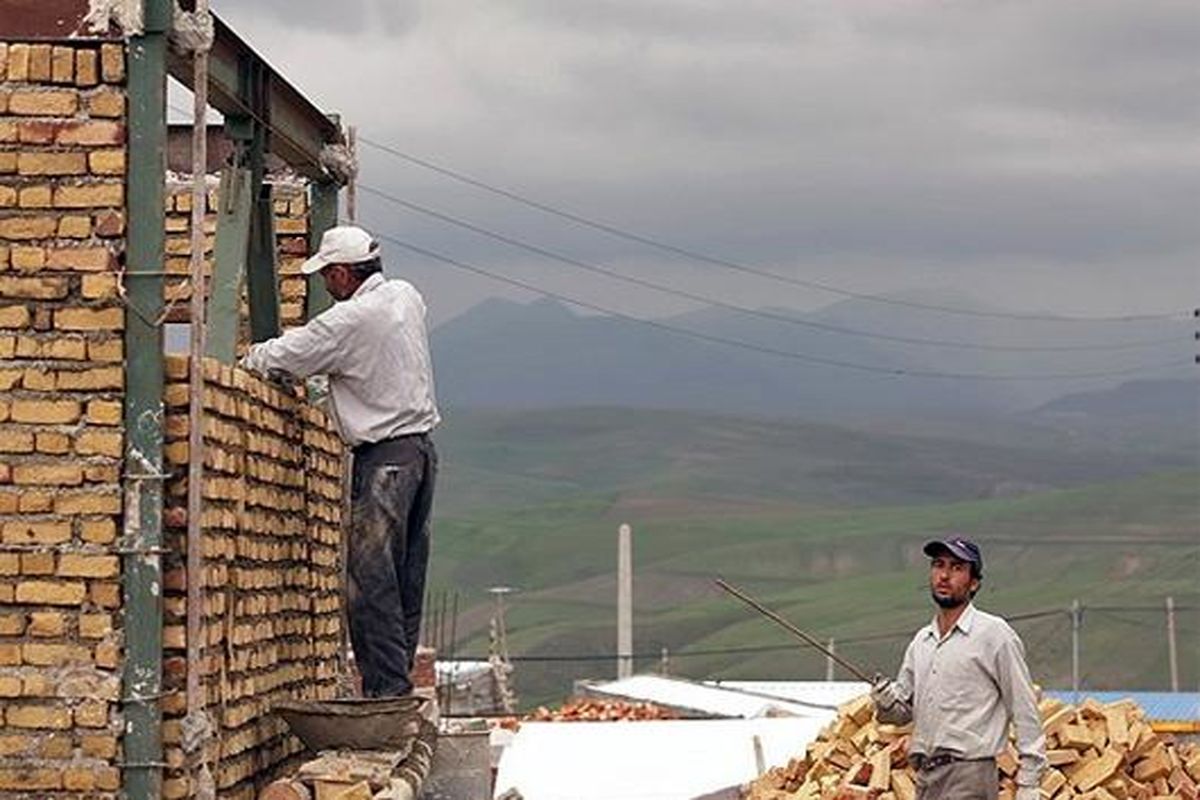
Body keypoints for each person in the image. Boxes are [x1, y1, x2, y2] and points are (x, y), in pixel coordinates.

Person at [242, 224, 440, 697]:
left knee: (370, 583)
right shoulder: (405, 297)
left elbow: (287, 356)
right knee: (404, 577)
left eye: (328, 275)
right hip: (420, 452)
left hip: (384, 460)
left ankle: (385, 693)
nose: (325, 286)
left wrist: (250, 356)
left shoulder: (347, 321)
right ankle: (396, 688)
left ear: (345, 273)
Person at [870, 537, 1045, 800]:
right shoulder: (922, 642)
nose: (944, 575)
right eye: (939, 565)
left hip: (970, 776)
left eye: (957, 567)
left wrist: (1029, 782)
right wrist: (885, 703)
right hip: (926, 778)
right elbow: (902, 713)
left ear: (974, 583)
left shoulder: (994, 634)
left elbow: (1023, 706)